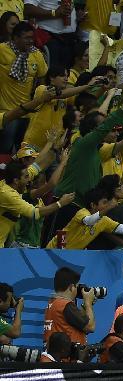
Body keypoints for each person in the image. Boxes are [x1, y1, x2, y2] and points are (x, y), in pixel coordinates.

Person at [1, 162, 75, 246]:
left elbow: (56, 182)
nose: (30, 182)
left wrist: (63, 165)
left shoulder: (40, 200)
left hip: (35, 246)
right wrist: (62, 164)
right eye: (35, 182)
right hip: (21, 244)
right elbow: (52, 183)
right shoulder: (25, 197)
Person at [0, 22, 48, 153]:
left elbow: (43, 79)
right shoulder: (2, 50)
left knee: (23, 151)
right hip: (6, 112)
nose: (30, 41)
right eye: (26, 38)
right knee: (5, 149)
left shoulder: (36, 55)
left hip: (27, 112)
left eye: (32, 38)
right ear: (15, 38)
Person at [43, 266, 96, 348]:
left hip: (55, 354)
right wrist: (88, 303)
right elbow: (90, 327)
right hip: (66, 358)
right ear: (71, 287)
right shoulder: (66, 305)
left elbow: (79, 323)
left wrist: (85, 305)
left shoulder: (53, 303)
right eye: (76, 286)